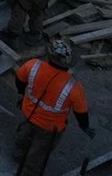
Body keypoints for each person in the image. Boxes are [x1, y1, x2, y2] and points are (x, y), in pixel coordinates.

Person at [12, 40, 91, 176]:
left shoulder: (33, 66)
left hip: (28, 115)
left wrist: (21, 95)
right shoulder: (74, 87)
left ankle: (18, 154)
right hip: (49, 128)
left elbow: (19, 79)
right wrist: (85, 127)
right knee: (38, 154)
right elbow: (81, 113)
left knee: (23, 137)